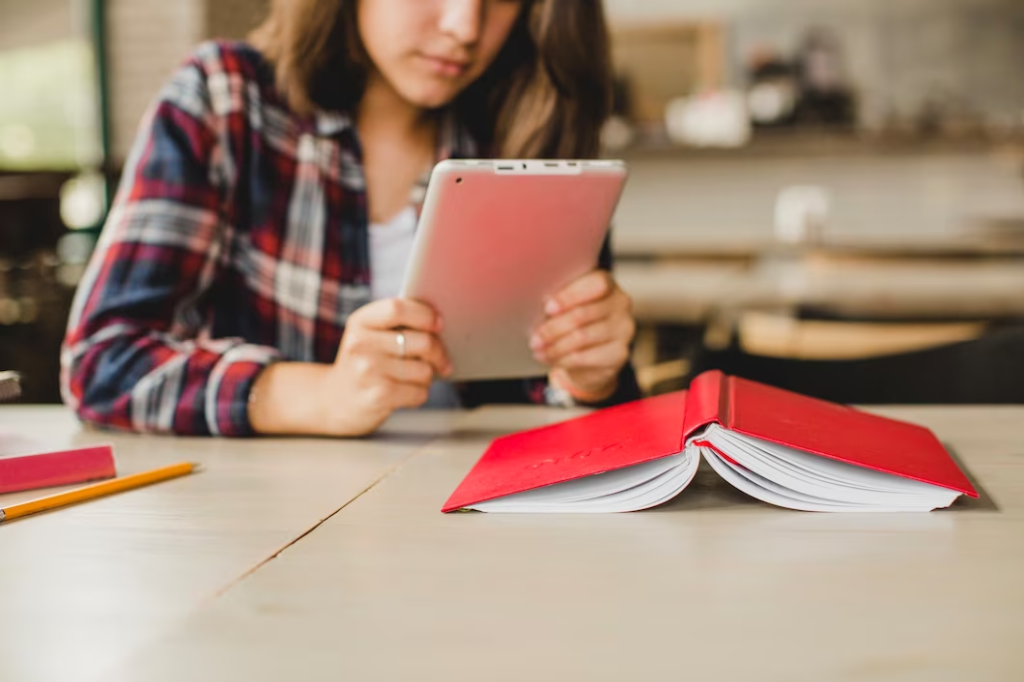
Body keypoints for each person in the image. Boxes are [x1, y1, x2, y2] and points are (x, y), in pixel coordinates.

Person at [61, 0, 639, 438]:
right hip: (273, 537)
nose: (465, 26)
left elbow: (574, 416)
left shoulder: (529, 129)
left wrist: (588, 378)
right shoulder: (225, 101)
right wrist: (317, 396)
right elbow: (102, 362)